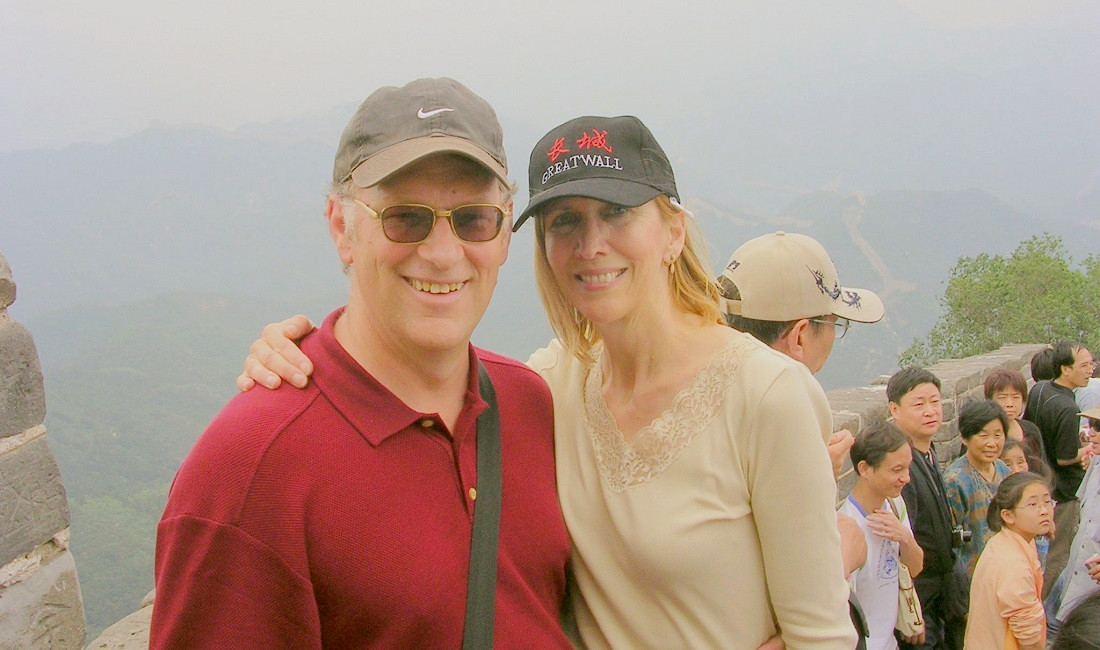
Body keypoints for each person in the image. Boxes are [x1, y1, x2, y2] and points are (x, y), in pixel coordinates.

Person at [241, 115, 858, 648]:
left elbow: (822, 635)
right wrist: (306, 357)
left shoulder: (766, 396)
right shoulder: (547, 390)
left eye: (616, 212)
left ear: (672, 231)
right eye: (564, 221)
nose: (591, 244)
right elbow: (423, 372)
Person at [151, 78, 573, 647]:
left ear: (503, 235)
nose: (444, 253)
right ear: (340, 227)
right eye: (405, 218)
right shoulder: (247, 471)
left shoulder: (529, 403)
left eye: (473, 219)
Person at [886, 368, 959, 649]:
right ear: (895, 409)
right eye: (919, 404)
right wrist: (910, 606)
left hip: (940, 595)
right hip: (920, 596)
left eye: (935, 402)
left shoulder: (927, 452)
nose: (930, 411)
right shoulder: (901, 467)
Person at [839, 422, 924, 649]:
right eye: (897, 470)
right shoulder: (848, 526)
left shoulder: (895, 505)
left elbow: (915, 567)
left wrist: (904, 537)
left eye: (907, 468)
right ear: (865, 469)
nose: (906, 478)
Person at [1024, 340, 1095, 597]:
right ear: (1066, 369)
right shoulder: (1068, 408)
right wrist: (1089, 450)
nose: (1091, 370)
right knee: (1057, 556)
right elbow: (1065, 457)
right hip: (1063, 491)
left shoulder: (1041, 390)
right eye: (1085, 365)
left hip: (1041, 479)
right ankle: (1041, 609)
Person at [964, 471, 1053, 650]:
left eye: (1047, 501)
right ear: (1008, 515)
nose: (1044, 511)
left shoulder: (1004, 541)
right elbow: (1028, 637)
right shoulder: (1013, 562)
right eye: (1033, 504)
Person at [942, 399, 1012, 576]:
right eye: (983, 435)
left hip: (1004, 567)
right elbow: (951, 537)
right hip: (972, 575)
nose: (992, 443)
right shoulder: (955, 480)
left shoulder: (1003, 470)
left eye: (998, 435)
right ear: (965, 438)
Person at [1052, 406, 1100, 631]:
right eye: (1091, 426)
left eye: (1098, 427)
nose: (1091, 433)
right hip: (1076, 573)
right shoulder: (1095, 464)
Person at [983, 368, 1048, 477]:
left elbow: (1042, 470)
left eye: (1016, 397)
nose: (1010, 404)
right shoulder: (981, 435)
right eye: (1002, 397)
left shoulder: (1031, 430)